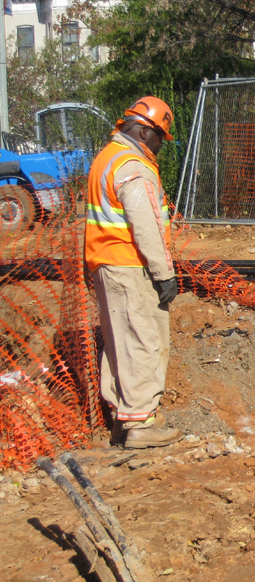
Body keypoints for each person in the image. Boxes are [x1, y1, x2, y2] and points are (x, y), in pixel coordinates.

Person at [84, 96, 183, 449]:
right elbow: (146, 226)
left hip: (106, 264)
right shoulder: (133, 165)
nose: (160, 145)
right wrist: (163, 273)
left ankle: (124, 418)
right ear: (144, 131)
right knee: (143, 340)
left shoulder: (106, 158)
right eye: (159, 138)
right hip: (129, 265)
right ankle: (141, 423)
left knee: (120, 343)